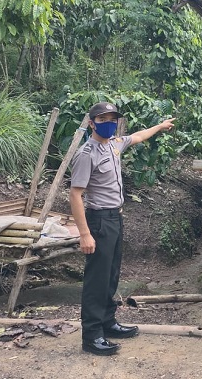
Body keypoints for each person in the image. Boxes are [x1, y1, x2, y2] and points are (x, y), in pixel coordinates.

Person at [69, 102, 175, 356]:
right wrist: (84, 233)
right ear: (92, 123)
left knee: (111, 274)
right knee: (97, 279)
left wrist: (160, 126)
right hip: (99, 221)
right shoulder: (87, 154)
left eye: (112, 118)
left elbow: (138, 136)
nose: (109, 122)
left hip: (116, 219)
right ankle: (92, 336)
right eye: (102, 118)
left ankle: (108, 322)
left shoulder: (114, 145)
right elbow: (75, 195)